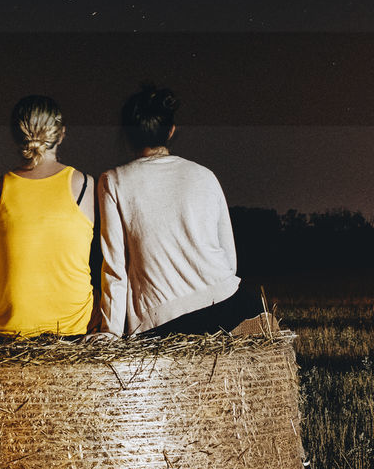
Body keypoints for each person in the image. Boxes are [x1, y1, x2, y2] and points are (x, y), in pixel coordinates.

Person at [97, 84, 264, 337]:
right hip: (226, 304)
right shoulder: (204, 175)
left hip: (163, 320)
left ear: (128, 134)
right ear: (171, 131)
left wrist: (110, 332)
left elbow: (114, 269)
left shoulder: (113, 181)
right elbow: (230, 259)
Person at [0, 95, 95, 337]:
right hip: (73, 326)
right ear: (61, 133)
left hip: (12, 328)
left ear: (15, 136)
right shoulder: (84, 184)